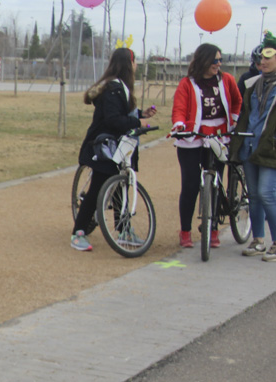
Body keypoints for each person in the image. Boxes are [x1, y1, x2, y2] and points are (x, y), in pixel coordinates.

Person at [71, 47, 155, 251]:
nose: (136, 66)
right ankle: (78, 232)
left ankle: (124, 229)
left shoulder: (121, 88)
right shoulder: (113, 89)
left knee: (121, 187)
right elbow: (113, 119)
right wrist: (138, 122)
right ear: (129, 64)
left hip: (119, 147)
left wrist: (141, 115)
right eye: (134, 62)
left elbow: (121, 114)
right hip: (104, 147)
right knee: (97, 189)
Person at [170, 43, 242, 249]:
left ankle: (213, 228)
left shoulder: (227, 80)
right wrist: (179, 124)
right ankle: (185, 231)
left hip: (219, 137)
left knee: (216, 183)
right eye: (214, 61)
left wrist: (234, 119)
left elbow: (237, 101)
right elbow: (180, 108)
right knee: (191, 185)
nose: (218, 65)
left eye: (220, 61)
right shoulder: (187, 83)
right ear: (203, 61)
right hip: (193, 138)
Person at [229, 34, 276, 261]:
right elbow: (246, 114)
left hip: (271, 149)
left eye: (268, 58)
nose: (263, 63)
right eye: (260, 60)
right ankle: (258, 240)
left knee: (267, 193)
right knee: (254, 196)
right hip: (249, 145)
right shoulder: (252, 84)